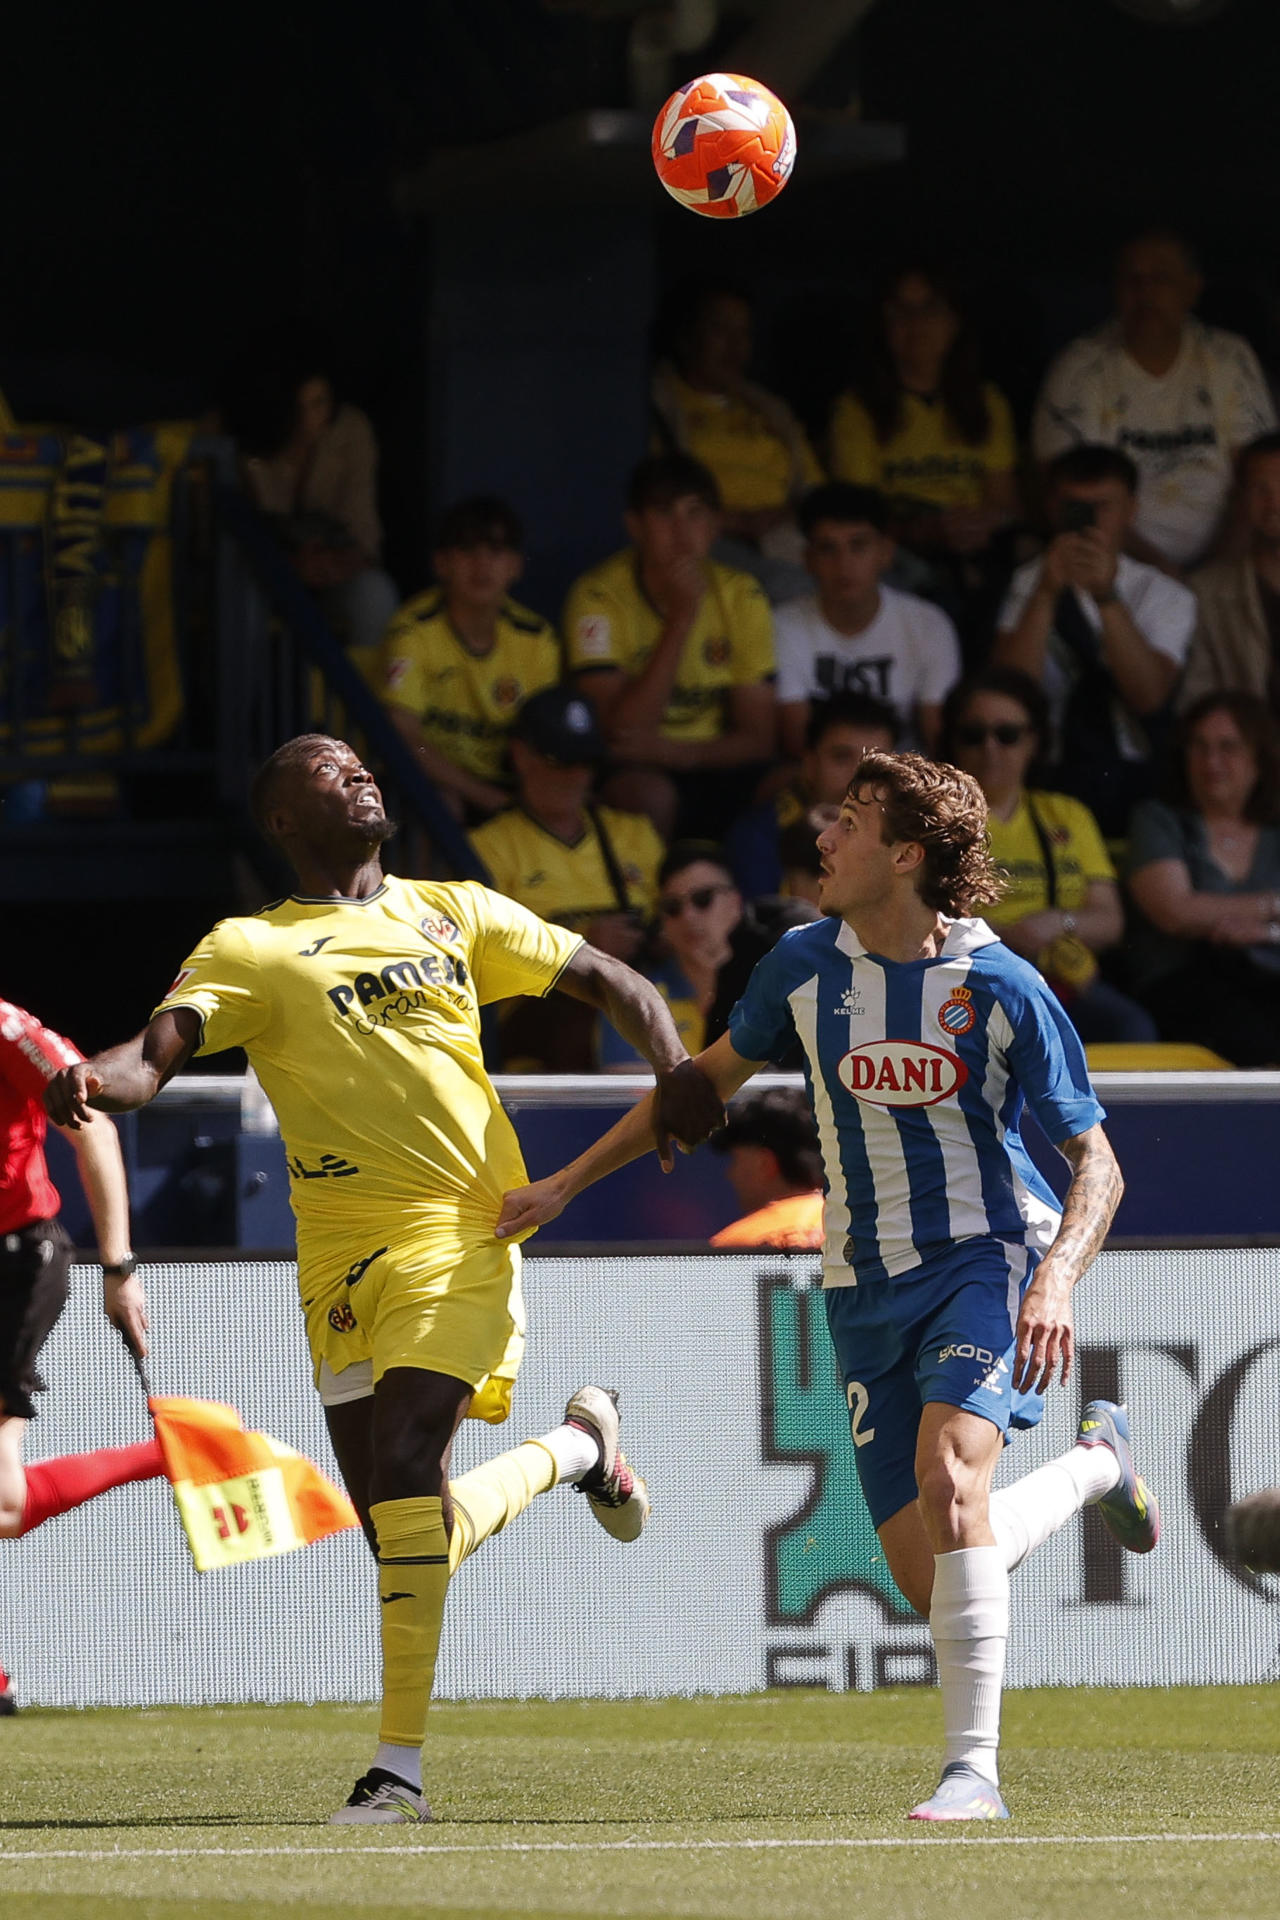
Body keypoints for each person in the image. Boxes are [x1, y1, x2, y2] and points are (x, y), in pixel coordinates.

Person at [45, 734, 725, 1823]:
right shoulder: (254, 948)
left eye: (360, 762)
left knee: (409, 1461)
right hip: (336, 1258)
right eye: (326, 767)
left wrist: (674, 1066)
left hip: (463, 1229)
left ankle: (394, 1770)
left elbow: (612, 977)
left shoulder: (453, 911)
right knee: (408, 1528)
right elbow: (153, 1052)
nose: (355, 772)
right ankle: (579, 1448)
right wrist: (96, 1081)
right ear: (282, 819)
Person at [499, 750, 1158, 1823]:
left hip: (980, 1261)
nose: (822, 839)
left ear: (902, 854)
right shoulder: (802, 968)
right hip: (858, 1286)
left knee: (950, 1481)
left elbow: (1099, 1161)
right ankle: (1095, 1466)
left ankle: (970, 1776)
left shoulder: (1000, 986)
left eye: (847, 822)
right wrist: (564, 1184)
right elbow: (694, 1089)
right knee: (933, 1580)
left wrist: (1053, 1283)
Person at [1, 997, 159, 1714]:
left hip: (12, 1268)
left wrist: (118, 1267)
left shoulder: (9, 1030)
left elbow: (88, 1125)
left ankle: (163, 1455)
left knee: (3, 1505)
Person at [1032, 230, 1276, 574]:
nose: (1144, 292)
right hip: (1112, 564)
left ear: (1192, 289)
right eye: (1132, 280)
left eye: (1160, 279)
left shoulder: (1227, 358)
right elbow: (1065, 496)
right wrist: (1155, 571)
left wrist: (1215, 572)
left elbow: (1262, 479)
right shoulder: (1080, 368)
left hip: (1230, 563)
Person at [563, 453, 777, 840]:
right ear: (635, 525)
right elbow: (620, 731)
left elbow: (759, 738)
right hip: (636, 768)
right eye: (664, 514)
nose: (682, 531)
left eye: (695, 513)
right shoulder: (597, 595)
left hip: (706, 757)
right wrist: (681, 620)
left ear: (715, 525)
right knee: (649, 795)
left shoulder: (742, 595)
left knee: (788, 785)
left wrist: (675, 753)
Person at [941, 668, 1157, 1044]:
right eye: (973, 735)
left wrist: (1058, 924)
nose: (990, 748)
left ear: (1034, 742)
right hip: (965, 983)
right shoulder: (932, 818)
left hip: (1064, 982)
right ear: (953, 743)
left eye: (1007, 735)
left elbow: (1110, 921)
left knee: (1132, 1030)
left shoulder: (1067, 815)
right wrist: (1002, 936)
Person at [992, 445, 1197, 836]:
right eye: (1075, 507)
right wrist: (1047, 593)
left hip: (1136, 766)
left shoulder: (1165, 595)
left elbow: (1149, 697)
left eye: (1102, 507)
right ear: (1053, 508)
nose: (1089, 521)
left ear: (1130, 511)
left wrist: (1106, 596)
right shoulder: (1026, 583)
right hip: (1047, 764)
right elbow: (1008, 693)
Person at [468, 686, 665, 1070]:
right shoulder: (486, 848)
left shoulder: (634, 835)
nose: (576, 775)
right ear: (521, 756)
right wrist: (583, 947)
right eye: (561, 760)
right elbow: (483, 962)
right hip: (535, 1023)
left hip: (639, 1007)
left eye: (586, 762)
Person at [828, 263, 1020, 628]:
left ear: (954, 322)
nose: (916, 323)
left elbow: (1005, 502)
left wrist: (979, 525)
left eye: (930, 309)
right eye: (900, 312)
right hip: (901, 548)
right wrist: (924, 531)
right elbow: (857, 516)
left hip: (979, 546)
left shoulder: (987, 402)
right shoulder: (856, 409)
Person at [370, 496, 561, 821]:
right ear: (441, 563)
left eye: (496, 551)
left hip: (506, 782)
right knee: (443, 804)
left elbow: (545, 737)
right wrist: (489, 798)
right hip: (427, 779)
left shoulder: (535, 637)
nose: (481, 564)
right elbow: (404, 738)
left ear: (515, 566)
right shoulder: (414, 630)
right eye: (466, 550)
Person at [1126, 692, 1280, 1065]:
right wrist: (1272, 905)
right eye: (1199, 747)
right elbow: (1175, 912)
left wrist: (1265, 932)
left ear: (1258, 759)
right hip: (1183, 981)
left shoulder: (1275, 831)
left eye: (1228, 748)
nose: (1211, 762)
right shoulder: (1159, 820)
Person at [650, 280, 823, 603]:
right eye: (720, 330)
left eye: (743, 333)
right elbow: (658, 496)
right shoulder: (663, 405)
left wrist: (782, 516)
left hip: (782, 533)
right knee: (792, 588)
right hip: (710, 537)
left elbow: (813, 492)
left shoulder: (769, 410)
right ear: (687, 337)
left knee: (882, 583)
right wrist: (734, 521)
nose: (735, 345)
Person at [775, 483, 962, 758]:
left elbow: (939, 739)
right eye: (828, 549)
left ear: (885, 552)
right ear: (808, 559)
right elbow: (799, 747)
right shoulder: (782, 626)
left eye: (858, 546)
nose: (843, 563)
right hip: (824, 782)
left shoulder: (928, 625)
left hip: (906, 778)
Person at [238, 349, 400, 653]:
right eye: (298, 407)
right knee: (240, 599)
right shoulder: (244, 439)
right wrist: (288, 564)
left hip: (333, 570)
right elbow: (234, 540)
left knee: (375, 594)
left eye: (319, 403)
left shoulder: (350, 430)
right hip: (261, 577)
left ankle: (360, 701)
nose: (310, 418)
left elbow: (362, 527)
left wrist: (338, 560)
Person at [598, 842, 774, 1069]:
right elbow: (627, 1092)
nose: (688, 916)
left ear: (736, 902)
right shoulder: (631, 1001)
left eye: (703, 899)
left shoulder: (778, 987)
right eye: (672, 907)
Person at [727, 691, 898, 901]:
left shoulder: (911, 835)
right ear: (809, 764)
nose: (859, 776)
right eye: (841, 757)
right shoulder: (760, 836)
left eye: (875, 762)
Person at [1182, 431, 1280, 714]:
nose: (1273, 503)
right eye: (1260, 489)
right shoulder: (1204, 592)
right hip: (1244, 753)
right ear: (1241, 496)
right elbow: (1198, 702)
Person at [707, 1088, 824, 1250]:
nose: (730, 1174)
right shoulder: (852, 1230)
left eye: (736, 1160)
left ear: (765, 1163)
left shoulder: (735, 1246)